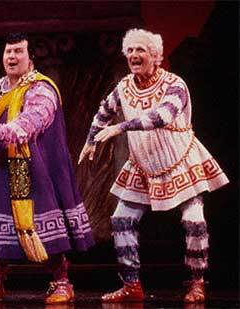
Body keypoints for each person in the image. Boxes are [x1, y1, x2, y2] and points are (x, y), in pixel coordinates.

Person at [78, 28, 229, 303]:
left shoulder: (175, 84)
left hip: (180, 160)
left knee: (194, 221)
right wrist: (90, 141)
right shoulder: (124, 86)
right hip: (143, 164)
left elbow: (162, 116)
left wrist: (119, 128)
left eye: (141, 51)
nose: (134, 55)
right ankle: (131, 285)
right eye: (130, 51)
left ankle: (197, 283)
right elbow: (104, 110)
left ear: (156, 57)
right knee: (121, 220)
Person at [0, 32, 95, 304]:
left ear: (31, 57)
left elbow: (30, 122)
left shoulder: (41, 88)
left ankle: (61, 282)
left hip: (29, 169)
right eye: (8, 52)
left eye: (18, 51)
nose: (11, 57)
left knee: (38, 221)